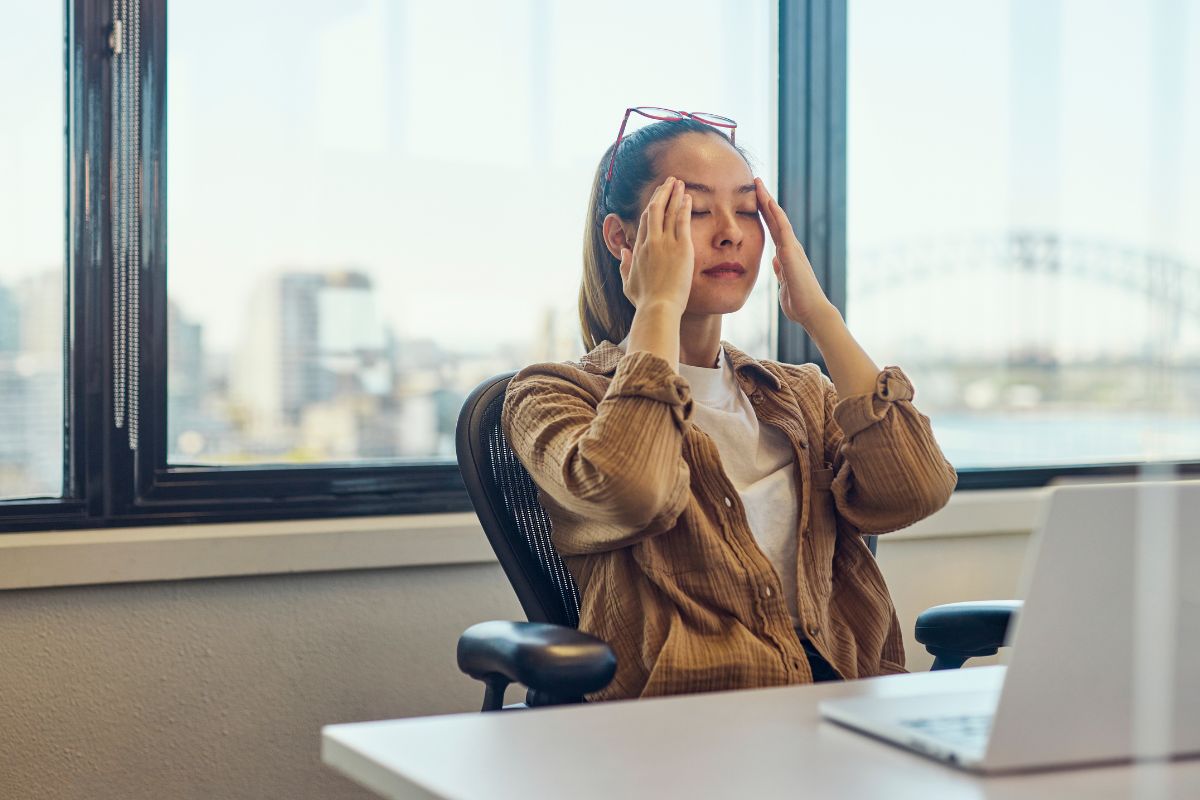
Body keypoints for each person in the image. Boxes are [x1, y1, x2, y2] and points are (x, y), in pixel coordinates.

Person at [502, 109, 957, 701]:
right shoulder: (551, 394)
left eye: (746, 211)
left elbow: (918, 491)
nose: (729, 233)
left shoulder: (801, 393)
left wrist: (821, 317)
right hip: (690, 721)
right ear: (621, 238)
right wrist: (658, 306)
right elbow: (634, 492)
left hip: (849, 702)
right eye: (693, 211)